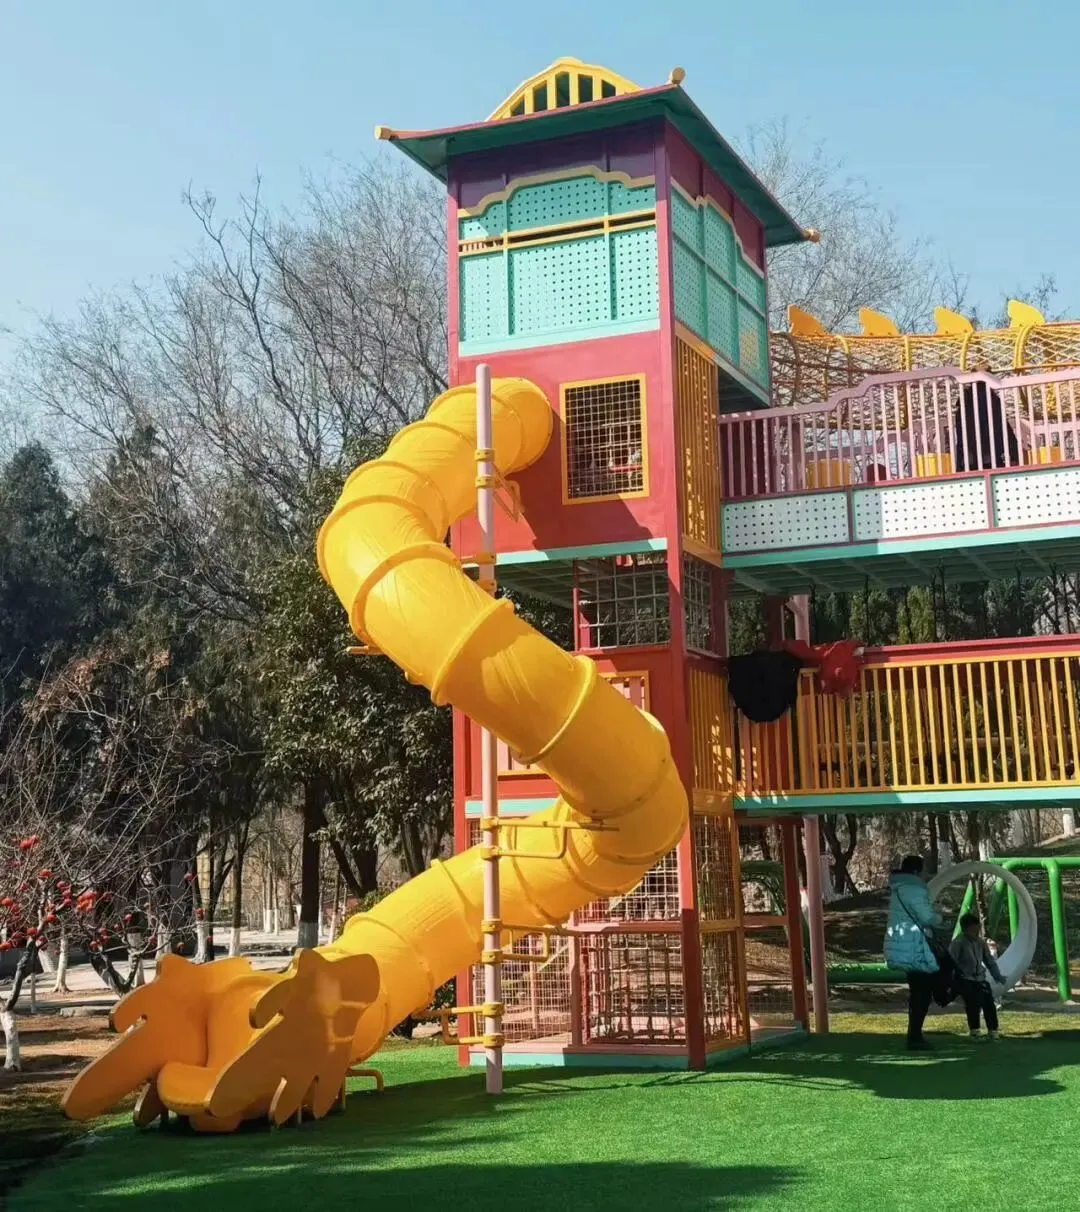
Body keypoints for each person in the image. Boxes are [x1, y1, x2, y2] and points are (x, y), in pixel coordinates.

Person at [884, 855, 943, 1050]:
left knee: (917, 991)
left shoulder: (898, 889)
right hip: (915, 947)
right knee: (922, 993)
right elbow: (926, 918)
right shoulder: (915, 889)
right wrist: (940, 916)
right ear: (917, 871)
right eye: (924, 870)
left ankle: (914, 1034)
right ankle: (915, 1036)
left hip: (904, 946)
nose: (926, 874)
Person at [949, 913, 1004, 1039]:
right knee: (973, 1004)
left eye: (977, 929)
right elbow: (951, 962)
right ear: (965, 929)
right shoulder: (958, 943)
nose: (976, 932)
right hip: (965, 978)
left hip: (980, 978)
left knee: (989, 1003)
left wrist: (997, 976)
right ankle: (975, 1030)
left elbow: (989, 961)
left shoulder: (980, 942)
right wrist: (951, 980)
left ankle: (993, 1030)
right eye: (973, 930)